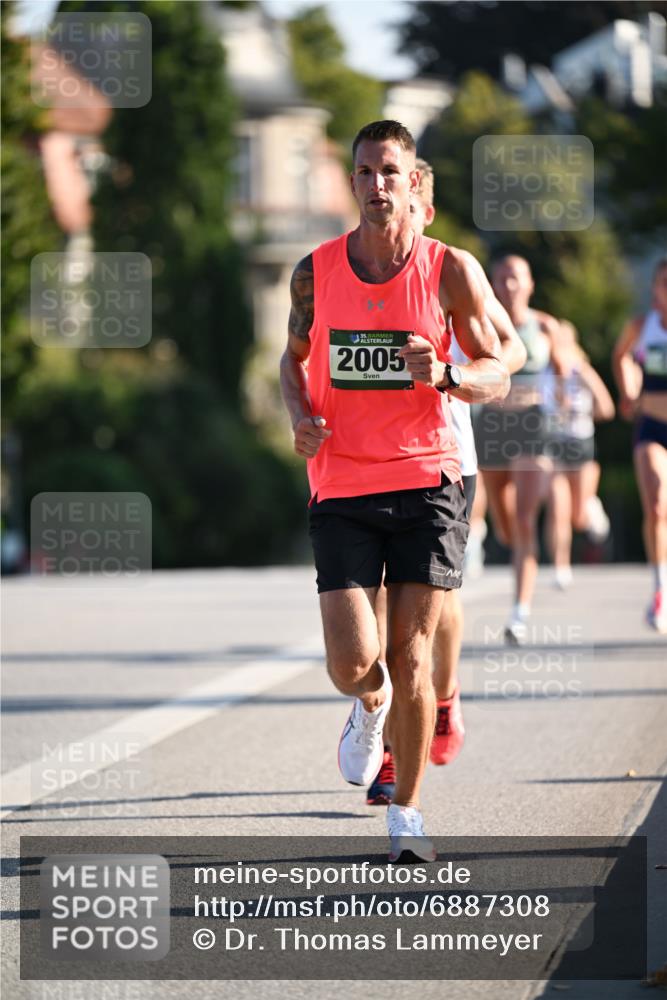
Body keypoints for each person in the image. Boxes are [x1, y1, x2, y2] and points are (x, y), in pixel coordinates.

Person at [279, 121, 510, 861]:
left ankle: (406, 813)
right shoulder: (314, 272)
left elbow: (496, 368)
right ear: (351, 182)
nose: (376, 185)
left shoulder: (449, 270)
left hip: (427, 479)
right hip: (343, 480)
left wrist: (445, 375)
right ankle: (367, 704)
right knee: (353, 661)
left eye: (389, 171)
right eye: (364, 172)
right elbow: (291, 362)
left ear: (414, 183)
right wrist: (299, 417)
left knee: (410, 656)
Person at [367, 160, 526, 807]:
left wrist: (450, 371)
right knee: (374, 598)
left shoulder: (447, 268)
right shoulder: (359, 265)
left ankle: (445, 697)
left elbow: (508, 352)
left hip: (445, 451)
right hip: (371, 456)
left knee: (432, 604)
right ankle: (384, 744)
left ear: (423, 206)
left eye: (412, 200)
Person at [474, 256, 563, 644]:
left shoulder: (545, 325)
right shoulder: (482, 321)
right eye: (502, 279)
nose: (509, 286)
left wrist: (558, 404)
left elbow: (563, 370)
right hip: (493, 426)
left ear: (529, 284)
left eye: (516, 279)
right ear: (492, 284)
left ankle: (519, 611)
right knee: (506, 525)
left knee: (525, 519)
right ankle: (512, 548)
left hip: (533, 425)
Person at [613, 256, 667, 632]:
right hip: (651, 424)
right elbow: (622, 357)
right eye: (663, 282)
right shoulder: (641, 326)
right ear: (655, 287)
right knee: (658, 503)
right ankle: (660, 590)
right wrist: (629, 387)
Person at [543, 320, 614, 589]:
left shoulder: (581, 370)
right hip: (553, 445)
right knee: (557, 508)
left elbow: (606, 408)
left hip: (581, 443)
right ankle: (561, 567)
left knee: (578, 517)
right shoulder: (544, 371)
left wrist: (580, 412)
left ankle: (592, 508)